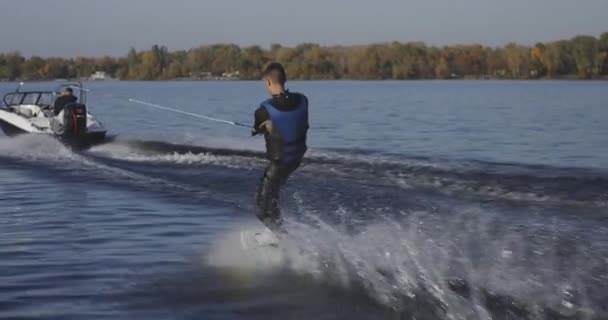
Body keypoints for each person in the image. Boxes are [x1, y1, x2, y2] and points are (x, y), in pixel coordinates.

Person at [252, 62, 309, 233]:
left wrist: (261, 129)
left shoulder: (264, 110)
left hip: (279, 162)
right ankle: (278, 230)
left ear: (268, 83)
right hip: (296, 159)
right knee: (273, 196)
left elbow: (259, 129)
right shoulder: (303, 99)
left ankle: (279, 237)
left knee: (261, 207)